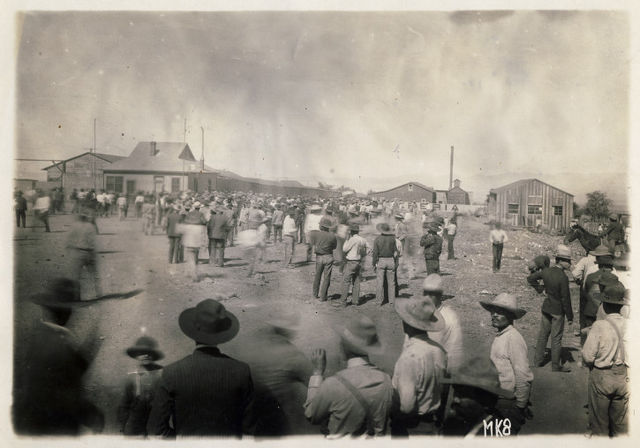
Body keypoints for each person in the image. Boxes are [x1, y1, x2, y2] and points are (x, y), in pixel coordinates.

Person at [147, 298, 255, 437]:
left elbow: (156, 430)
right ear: (221, 334)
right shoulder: (241, 371)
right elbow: (249, 431)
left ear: (193, 333)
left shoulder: (171, 372)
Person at [13, 279, 105, 435]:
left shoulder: (40, 337)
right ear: (67, 311)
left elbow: (69, 371)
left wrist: (93, 343)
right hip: (53, 429)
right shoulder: (56, 344)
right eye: (70, 308)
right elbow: (64, 391)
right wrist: (92, 415)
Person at [304, 316, 393, 438]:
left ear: (344, 347)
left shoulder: (333, 384)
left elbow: (311, 415)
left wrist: (317, 373)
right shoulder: (386, 380)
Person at [242, 313, 314, 436]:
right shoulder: (293, 355)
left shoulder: (253, 345)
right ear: (290, 333)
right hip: (276, 418)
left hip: (248, 416)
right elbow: (313, 382)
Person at [392, 294, 446, 436]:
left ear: (406, 322)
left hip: (412, 427)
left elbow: (407, 406)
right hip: (431, 422)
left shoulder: (409, 358)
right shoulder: (439, 350)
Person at [479, 293, 534, 434]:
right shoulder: (501, 335)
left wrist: (520, 406)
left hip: (507, 402)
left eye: (501, 312)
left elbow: (523, 375)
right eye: (493, 311)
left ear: (511, 316)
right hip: (497, 399)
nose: (494, 315)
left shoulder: (513, 339)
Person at [582, 282, 629, 437]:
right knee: (621, 425)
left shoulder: (600, 325)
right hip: (623, 377)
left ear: (605, 305)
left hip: (602, 376)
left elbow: (588, 356)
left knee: (600, 424)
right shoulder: (630, 324)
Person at [440, 357, 514, 437]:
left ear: (487, 401)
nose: (455, 399)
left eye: (464, 394)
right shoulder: (455, 427)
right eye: (456, 392)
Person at [528, 244, 574, 372]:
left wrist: (540, 289)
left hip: (546, 308)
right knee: (556, 338)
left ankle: (537, 362)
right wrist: (570, 316)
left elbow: (530, 278)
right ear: (560, 260)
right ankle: (555, 365)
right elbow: (566, 299)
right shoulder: (563, 277)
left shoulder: (546, 271)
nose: (570, 264)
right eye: (568, 261)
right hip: (558, 312)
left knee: (543, 335)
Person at [118, 336, 164, 436]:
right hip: (135, 426)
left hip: (157, 424)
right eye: (141, 352)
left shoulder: (163, 374)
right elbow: (124, 405)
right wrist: (123, 427)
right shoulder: (131, 377)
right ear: (136, 355)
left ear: (154, 355)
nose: (146, 355)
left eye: (149, 352)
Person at [421, 274, 464, 373]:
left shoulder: (449, 317)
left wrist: (449, 377)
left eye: (431, 294)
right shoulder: (418, 313)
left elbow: (455, 352)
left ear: (440, 296)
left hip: (437, 373)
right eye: (425, 293)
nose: (427, 298)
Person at [67, 212, 102, 298]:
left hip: (78, 252)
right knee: (94, 274)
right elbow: (92, 240)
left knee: (76, 275)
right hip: (89, 252)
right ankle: (98, 293)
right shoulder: (90, 226)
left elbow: (69, 240)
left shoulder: (74, 226)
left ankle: (77, 296)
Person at [338, 223, 370, 307]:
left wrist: (347, 239)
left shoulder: (352, 239)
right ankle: (355, 301)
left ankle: (343, 302)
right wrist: (363, 254)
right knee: (356, 281)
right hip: (359, 262)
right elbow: (369, 249)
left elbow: (344, 249)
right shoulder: (363, 239)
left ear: (351, 231)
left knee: (346, 281)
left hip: (351, 262)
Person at [308, 217, 337, 301]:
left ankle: (315, 294)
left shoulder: (316, 234)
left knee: (317, 276)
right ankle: (323, 297)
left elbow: (311, 243)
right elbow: (335, 247)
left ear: (322, 226)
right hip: (328, 256)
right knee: (327, 277)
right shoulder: (332, 236)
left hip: (319, 257)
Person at [372, 223, 401, 305]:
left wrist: (374, 263)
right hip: (391, 260)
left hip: (381, 260)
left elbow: (375, 253)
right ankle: (392, 301)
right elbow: (396, 252)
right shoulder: (392, 239)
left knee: (379, 282)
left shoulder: (377, 239)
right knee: (392, 283)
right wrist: (396, 262)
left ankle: (378, 301)